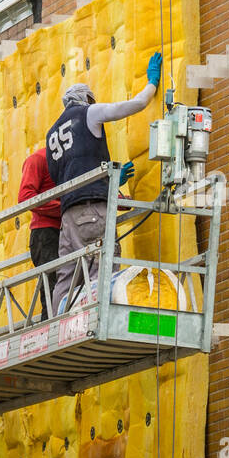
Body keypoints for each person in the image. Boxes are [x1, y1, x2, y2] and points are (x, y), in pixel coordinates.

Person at [46, 51, 162, 314]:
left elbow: (58, 176)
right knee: (103, 265)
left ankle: (58, 325)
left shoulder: (51, 134)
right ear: (85, 98)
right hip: (92, 210)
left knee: (67, 277)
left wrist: (105, 183)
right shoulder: (88, 112)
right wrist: (152, 84)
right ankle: (101, 318)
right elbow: (133, 105)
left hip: (68, 216)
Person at [19, 145, 61, 317]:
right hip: (46, 232)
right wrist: (64, 208)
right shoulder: (39, 159)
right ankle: (51, 329)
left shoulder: (70, 159)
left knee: (67, 284)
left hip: (69, 228)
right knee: (52, 287)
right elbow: (26, 197)